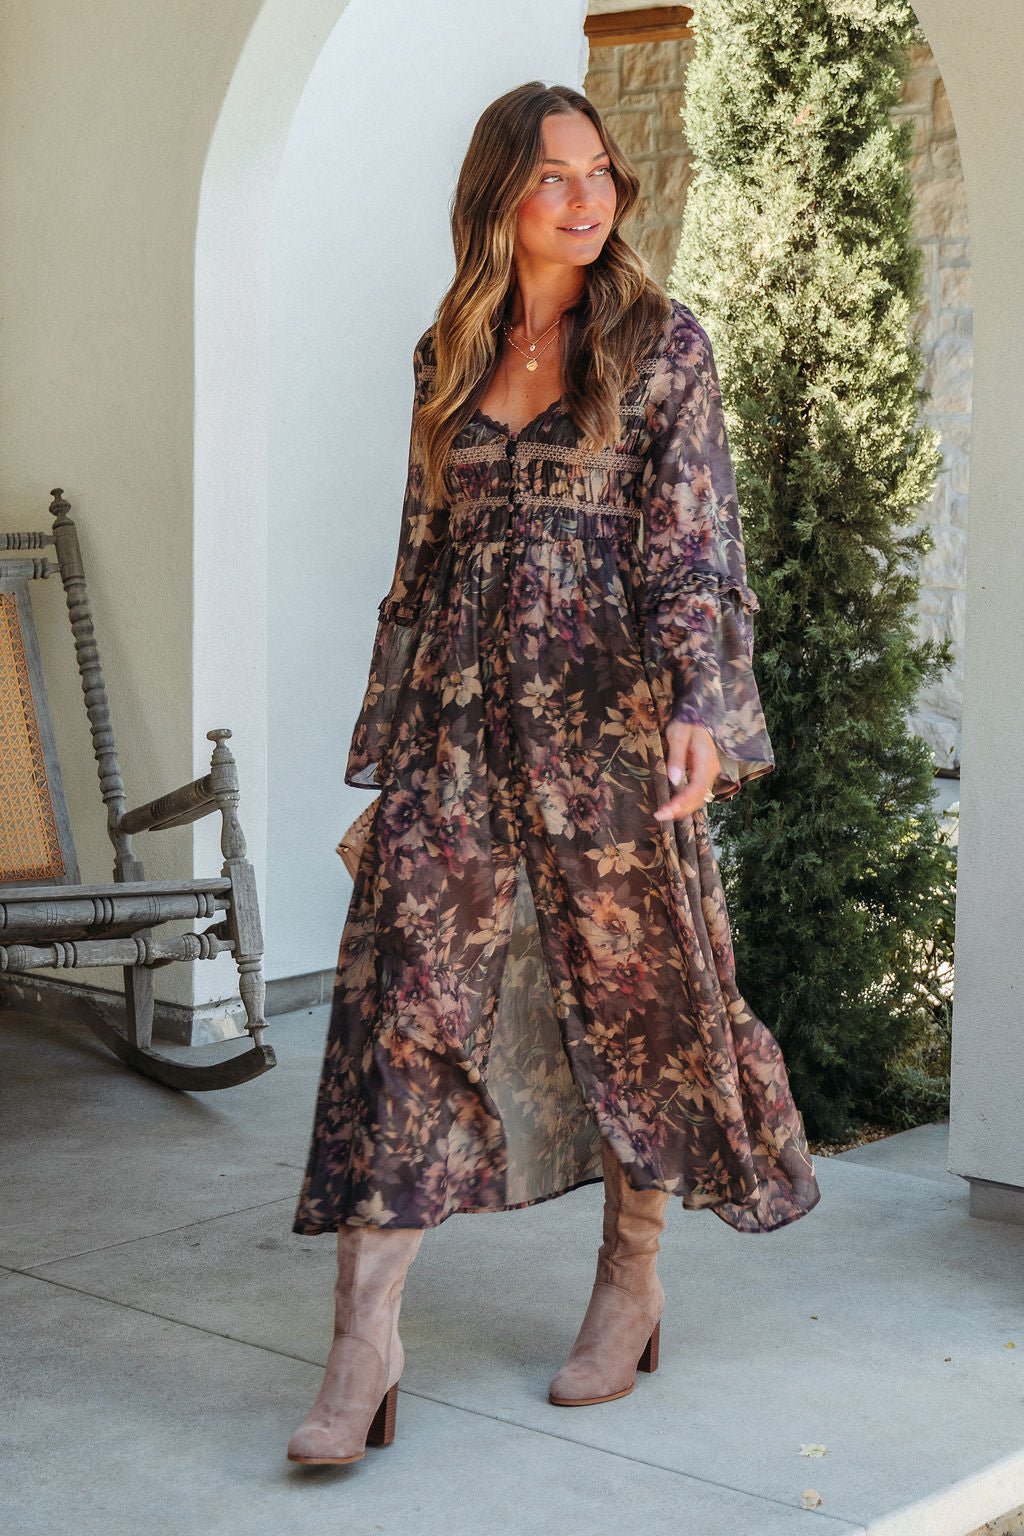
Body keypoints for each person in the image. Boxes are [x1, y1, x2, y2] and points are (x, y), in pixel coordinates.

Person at [287, 79, 821, 1467]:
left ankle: (629, 1287)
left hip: (611, 732)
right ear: (498, 198)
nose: (588, 201)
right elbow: (420, 563)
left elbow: (695, 544)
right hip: (461, 729)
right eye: (555, 178)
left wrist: (702, 702)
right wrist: (395, 749)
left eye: (602, 175)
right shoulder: (448, 353)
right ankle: (365, 1343)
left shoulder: (659, 345)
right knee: (409, 1005)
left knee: (634, 1005)